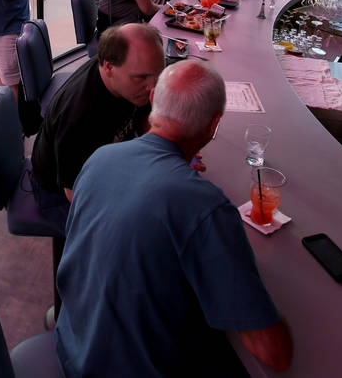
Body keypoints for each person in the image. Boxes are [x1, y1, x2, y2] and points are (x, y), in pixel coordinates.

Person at [55, 60, 293, 376]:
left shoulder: (100, 158)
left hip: (72, 344)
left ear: (153, 99)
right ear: (214, 124)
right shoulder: (204, 207)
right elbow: (273, 354)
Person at [30, 24, 164, 209]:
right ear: (109, 67)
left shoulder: (129, 78)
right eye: (141, 78)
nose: (152, 87)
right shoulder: (79, 117)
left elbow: (144, 116)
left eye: (156, 76)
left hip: (111, 161)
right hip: (60, 192)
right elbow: (75, 193)